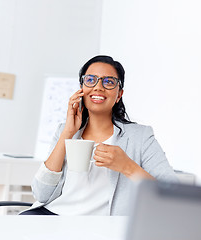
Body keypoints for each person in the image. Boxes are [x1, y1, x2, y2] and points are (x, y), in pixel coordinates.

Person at [21, 55, 178, 216]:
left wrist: (127, 166)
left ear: (119, 95)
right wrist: (67, 133)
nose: (98, 87)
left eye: (109, 82)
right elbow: (41, 194)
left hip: (101, 227)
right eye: (90, 80)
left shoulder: (140, 137)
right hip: (52, 216)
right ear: (81, 88)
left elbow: (172, 194)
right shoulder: (65, 130)